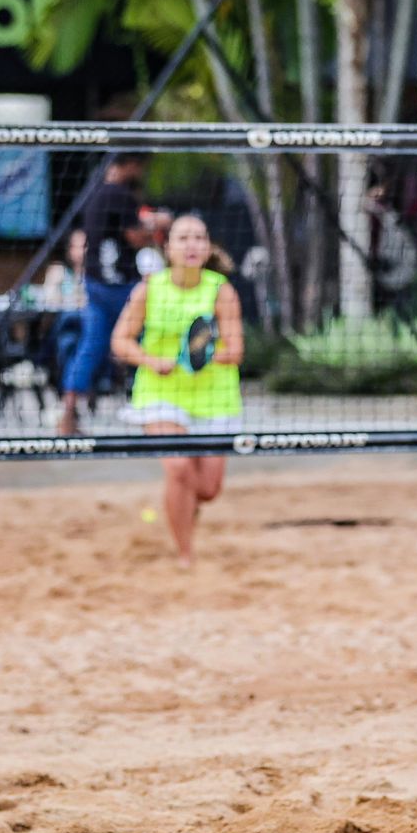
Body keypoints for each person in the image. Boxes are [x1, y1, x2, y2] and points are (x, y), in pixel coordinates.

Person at [110, 214, 244, 567]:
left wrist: (203, 357)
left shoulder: (221, 290)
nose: (192, 245)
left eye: (199, 238)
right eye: (183, 238)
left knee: (209, 490)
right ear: (167, 248)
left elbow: (235, 350)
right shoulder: (149, 289)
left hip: (213, 394)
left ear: (208, 246)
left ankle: (186, 509)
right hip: (160, 391)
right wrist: (152, 361)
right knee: (179, 467)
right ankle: (185, 552)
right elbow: (120, 341)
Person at [58, 153, 167, 435]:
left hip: (95, 282)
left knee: (90, 347)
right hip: (119, 285)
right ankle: (158, 408)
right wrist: (158, 224)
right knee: (152, 338)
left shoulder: (92, 192)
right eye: (139, 165)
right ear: (131, 164)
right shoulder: (121, 194)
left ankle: (68, 413)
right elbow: (134, 236)